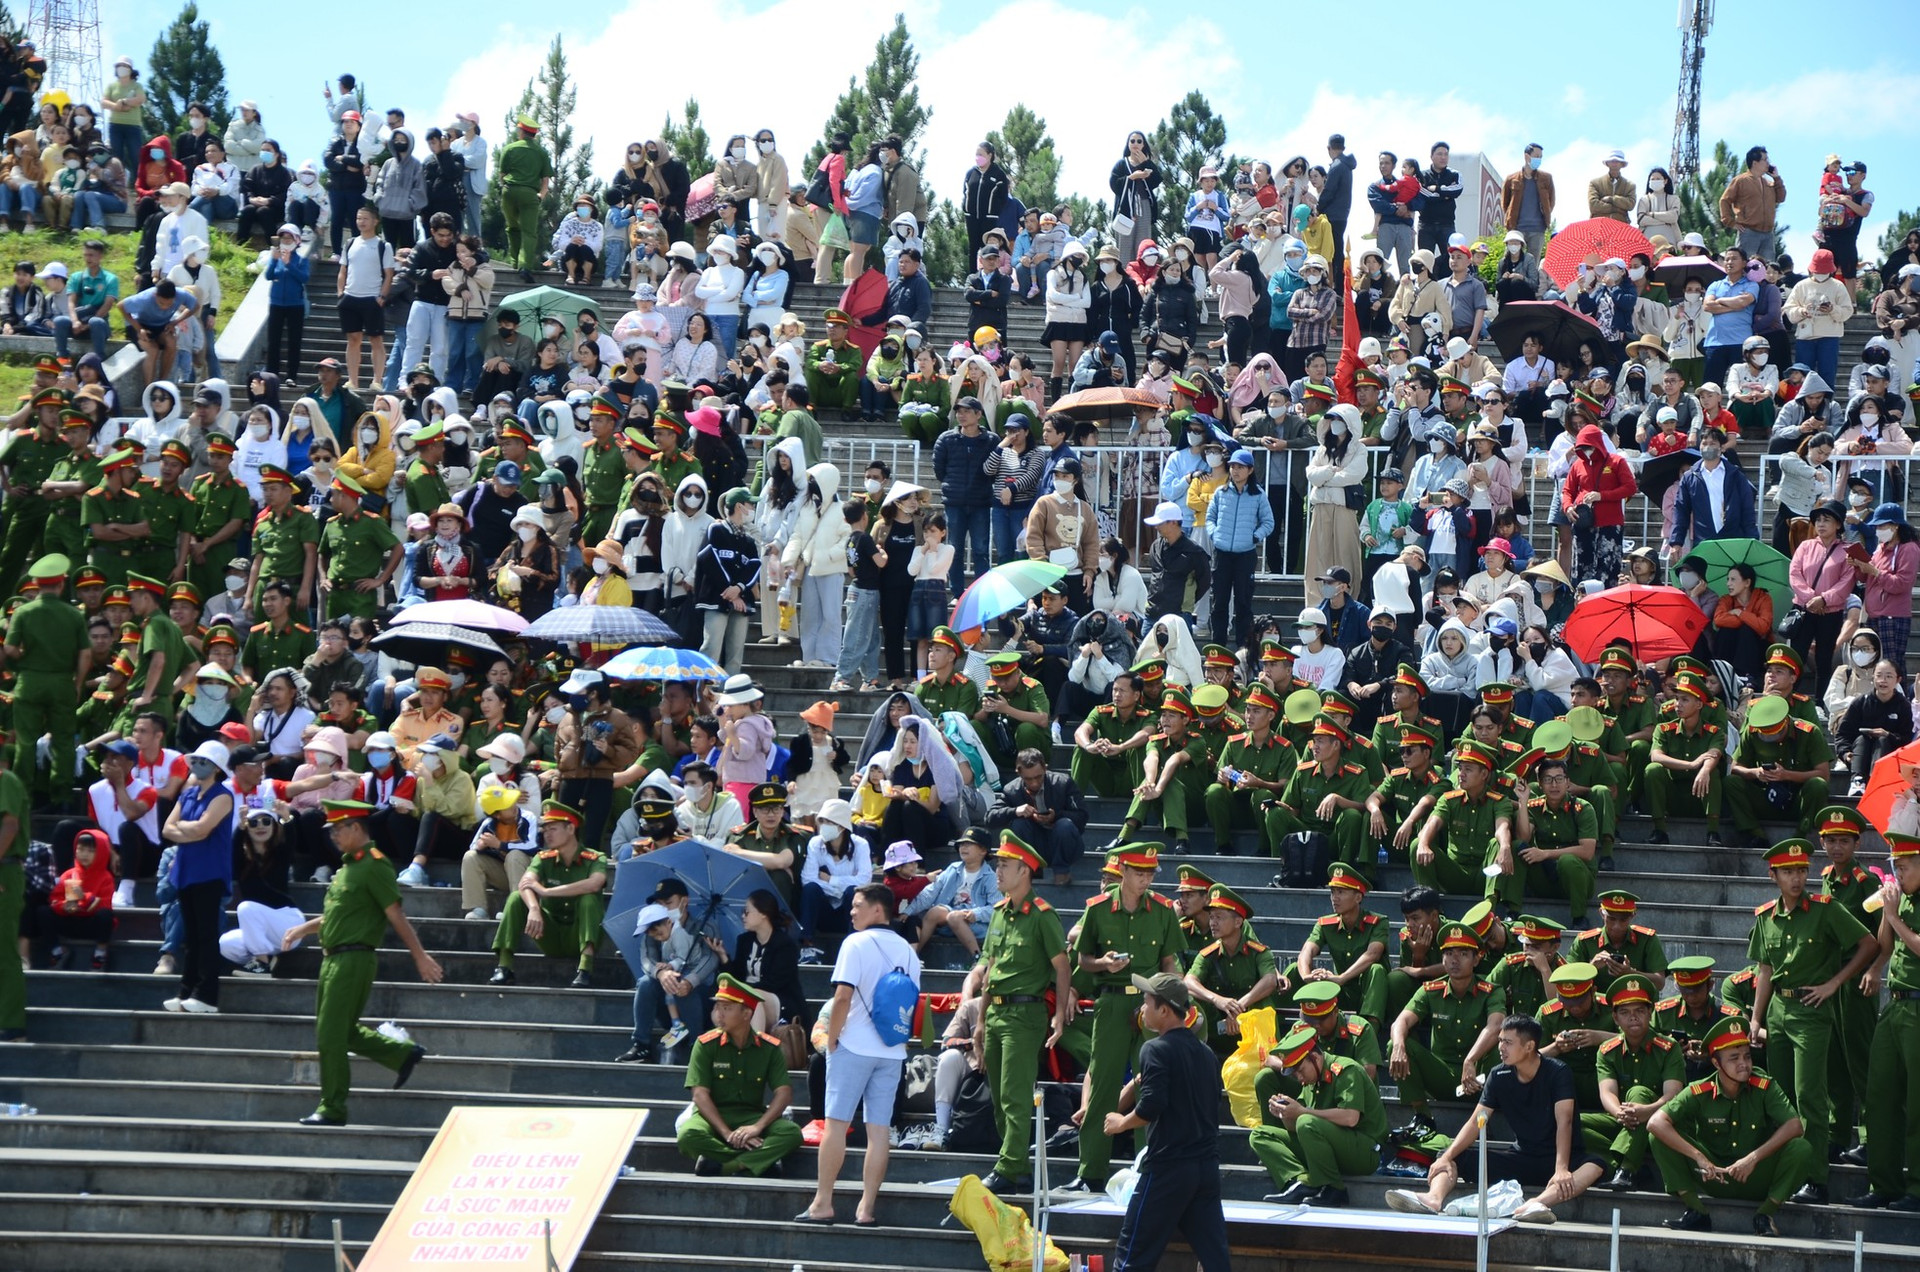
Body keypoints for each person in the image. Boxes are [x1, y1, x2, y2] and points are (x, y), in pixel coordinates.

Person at [277, 799, 438, 1125]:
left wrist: (420, 956)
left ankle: (332, 1108)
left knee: (330, 1036)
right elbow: (336, 914)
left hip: (354, 958)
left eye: (338, 829)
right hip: (332, 959)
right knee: (338, 1031)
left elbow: (396, 915)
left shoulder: (374, 865)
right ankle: (401, 1053)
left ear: (355, 828)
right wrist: (302, 929)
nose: (333, 836)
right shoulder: (349, 868)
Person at [1741, 839, 1876, 1204]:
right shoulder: (1765, 915)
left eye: (1801, 871)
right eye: (1788, 872)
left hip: (1811, 1012)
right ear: (1774, 876)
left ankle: (1816, 1178)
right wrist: (1755, 1018)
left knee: (1810, 1098)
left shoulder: (1824, 909)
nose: (1797, 879)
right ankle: (1787, 1170)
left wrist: (1835, 983)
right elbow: (1765, 969)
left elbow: (1868, 944)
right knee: (1781, 1098)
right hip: (1778, 1014)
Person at [1386, 1013, 1607, 1224]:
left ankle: (1535, 1204)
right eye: (1500, 1041)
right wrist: (1447, 1157)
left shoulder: (1558, 1072)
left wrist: (1561, 1168)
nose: (1501, 1048)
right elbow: (1476, 1121)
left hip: (1560, 1160)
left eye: (1508, 1043)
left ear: (1529, 1046)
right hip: (1522, 1157)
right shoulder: (1499, 1075)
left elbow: (1565, 1121)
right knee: (1449, 1154)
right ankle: (1433, 1199)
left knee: (1595, 1165)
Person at [798, 882, 921, 1224]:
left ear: (877, 910)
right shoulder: (909, 953)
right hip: (892, 1050)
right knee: (878, 1131)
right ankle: (866, 1208)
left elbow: (842, 997)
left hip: (853, 1045)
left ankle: (823, 1203)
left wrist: (832, 1038)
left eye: (857, 905)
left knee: (835, 1126)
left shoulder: (855, 943)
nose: (851, 912)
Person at [1103, 971, 1231, 1272]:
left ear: (1164, 1009)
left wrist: (1121, 1123)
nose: (1142, 1009)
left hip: (1167, 1169)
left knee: (1132, 1256)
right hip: (1205, 1169)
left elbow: (1151, 1106)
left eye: (1146, 1001)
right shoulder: (1206, 1054)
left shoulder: (1154, 1049)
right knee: (1215, 1260)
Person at [1648, 1015, 1813, 1234]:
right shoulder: (1700, 1090)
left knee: (1802, 1148)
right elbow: (1655, 1123)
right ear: (1716, 1063)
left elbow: (1795, 1126)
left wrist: (1752, 1159)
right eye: (1734, 1058)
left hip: (1754, 1176)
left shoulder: (1764, 1085)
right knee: (1658, 1136)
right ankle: (1696, 1211)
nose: (1744, 1064)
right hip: (1713, 1174)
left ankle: (1765, 1215)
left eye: (1746, 1056)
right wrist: (1699, 1157)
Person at [976, 833, 1073, 1195]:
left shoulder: (1042, 916)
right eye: (997, 864)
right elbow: (991, 970)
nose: (997, 871)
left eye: (1004, 865)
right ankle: (1015, 1168)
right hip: (997, 1013)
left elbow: (1062, 968)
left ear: (1025, 871)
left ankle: (1009, 1164)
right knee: (1000, 1097)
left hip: (1025, 1014)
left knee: (1015, 1095)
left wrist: (1059, 1014)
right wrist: (981, 1021)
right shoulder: (1000, 914)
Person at [1252, 1015, 1387, 1207]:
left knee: (1307, 1122)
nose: (1299, 1078)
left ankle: (1333, 1189)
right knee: (1260, 1135)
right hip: (1329, 1146)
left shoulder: (1346, 1070)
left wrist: (1302, 1112)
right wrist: (1283, 1112)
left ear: (1315, 1058)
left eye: (1300, 1070)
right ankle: (1301, 1181)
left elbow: (1350, 1117)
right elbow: (1294, 1125)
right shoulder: (1310, 1079)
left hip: (1364, 1151)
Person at [676, 972, 802, 1179]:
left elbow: (784, 1093)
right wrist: (727, 1134)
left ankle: (727, 1166)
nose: (719, 1014)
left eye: (726, 1008)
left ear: (746, 1014)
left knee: (791, 1133)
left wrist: (758, 1127)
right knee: (688, 1135)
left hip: (751, 1116)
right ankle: (757, 1161)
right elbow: (699, 1095)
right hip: (712, 1117)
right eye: (717, 1007)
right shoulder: (706, 1044)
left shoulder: (768, 1048)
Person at [488, 799, 607, 989]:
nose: (546, 834)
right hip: (550, 932)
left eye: (553, 829)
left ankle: (585, 969)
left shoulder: (595, 858)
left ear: (570, 829)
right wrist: (534, 908)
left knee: (588, 900)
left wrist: (547, 892)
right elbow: (525, 884)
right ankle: (504, 966)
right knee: (516, 897)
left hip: (580, 934)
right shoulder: (543, 858)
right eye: (545, 829)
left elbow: (595, 883)